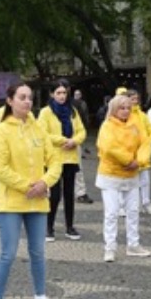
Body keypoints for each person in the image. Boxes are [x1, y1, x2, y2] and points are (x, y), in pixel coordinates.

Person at [0, 82, 64, 299]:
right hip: (11, 201)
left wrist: (45, 182)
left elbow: (55, 160)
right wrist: (26, 186)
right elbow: (0, 169)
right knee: (8, 253)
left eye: (30, 97)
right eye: (22, 97)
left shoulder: (38, 128)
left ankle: (40, 297)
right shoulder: (1, 131)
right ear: (10, 100)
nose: (27, 101)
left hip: (38, 199)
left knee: (38, 252)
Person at [95, 94, 151, 262]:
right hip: (110, 174)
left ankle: (133, 244)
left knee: (133, 211)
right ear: (114, 109)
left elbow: (145, 143)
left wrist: (139, 161)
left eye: (128, 108)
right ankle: (110, 247)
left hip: (131, 174)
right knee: (111, 213)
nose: (126, 111)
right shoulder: (107, 126)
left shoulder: (136, 125)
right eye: (122, 108)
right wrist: (129, 160)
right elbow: (108, 147)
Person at [37, 79, 86, 242]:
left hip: (70, 158)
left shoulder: (72, 111)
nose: (62, 96)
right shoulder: (45, 112)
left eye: (64, 92)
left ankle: (69, 226)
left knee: (69, 194)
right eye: (58, 92)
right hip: (54, 158)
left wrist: (75, 141)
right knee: (55, 195)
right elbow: (42, 134)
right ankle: (48, 227)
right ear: (52, 94)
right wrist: (63, 140)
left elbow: (81, 131)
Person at [127, 90, 151, 215]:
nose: (135, 101)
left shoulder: (142, 115)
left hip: (143, 153)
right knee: (131, 181)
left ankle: (146, 202)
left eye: (136, 99)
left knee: (145, 181)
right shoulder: (126, 114)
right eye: (132, 99)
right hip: (130, 152)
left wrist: (148, 143)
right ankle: (132, 204)